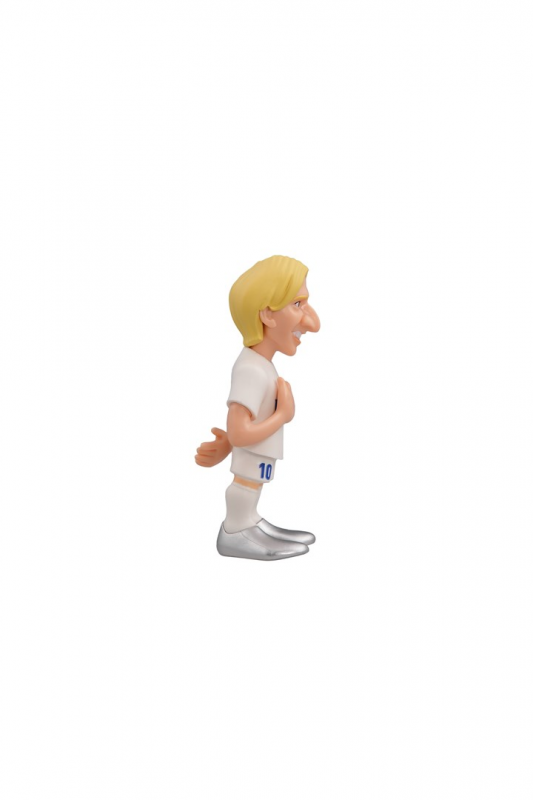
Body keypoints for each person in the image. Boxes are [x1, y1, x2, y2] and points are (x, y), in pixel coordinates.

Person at [195, 255, 320, 560]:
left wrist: (228, 442)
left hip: (257, 457)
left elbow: (238, 430)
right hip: (251, 459)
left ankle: (250, 523)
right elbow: (241, 432)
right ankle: (235, 530)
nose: (313, 323)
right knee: (246, 483)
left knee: (253, 483)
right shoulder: (251, 370)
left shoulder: (260, 365)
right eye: (298, 304)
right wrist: (282, 416)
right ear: (267, 314)